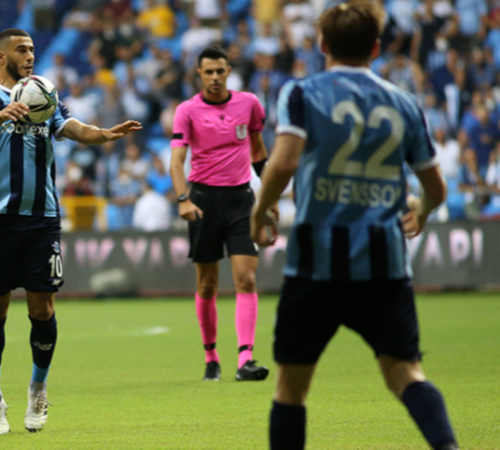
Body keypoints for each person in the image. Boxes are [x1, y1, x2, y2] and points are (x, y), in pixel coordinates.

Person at [250, 2, 459, 449]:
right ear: (377, 48)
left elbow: (284, 161)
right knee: (405, 373)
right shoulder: (404, 103)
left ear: (322, 44)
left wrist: (262, 207)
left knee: (291, 385)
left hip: (314, 262)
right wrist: (421, 211)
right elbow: (435, 188)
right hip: (383, 264)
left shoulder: (301, 94)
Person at [0, 28, 141, 435]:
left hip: (41, 220)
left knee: (41, 309)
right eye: (21, 50)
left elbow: (72, 127)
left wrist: (103, 134)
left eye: (31, 49)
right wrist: (1, 116)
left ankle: (37, 389)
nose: (29, 55)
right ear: (1, 56)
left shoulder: (45, 93)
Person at [170, 45, 274, 383]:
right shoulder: (187, 110)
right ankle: (211, 356)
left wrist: (269, 196)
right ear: (199, 74)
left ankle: (245, 359)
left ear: (229, 71)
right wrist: (183, 198)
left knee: (246, 278)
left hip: (241, 201)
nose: (215, 77)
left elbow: (258, 151)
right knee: (208, 283)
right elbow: (176, 161)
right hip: (202, 201)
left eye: (220, 71)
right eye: (208, 72)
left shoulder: (249, 104)